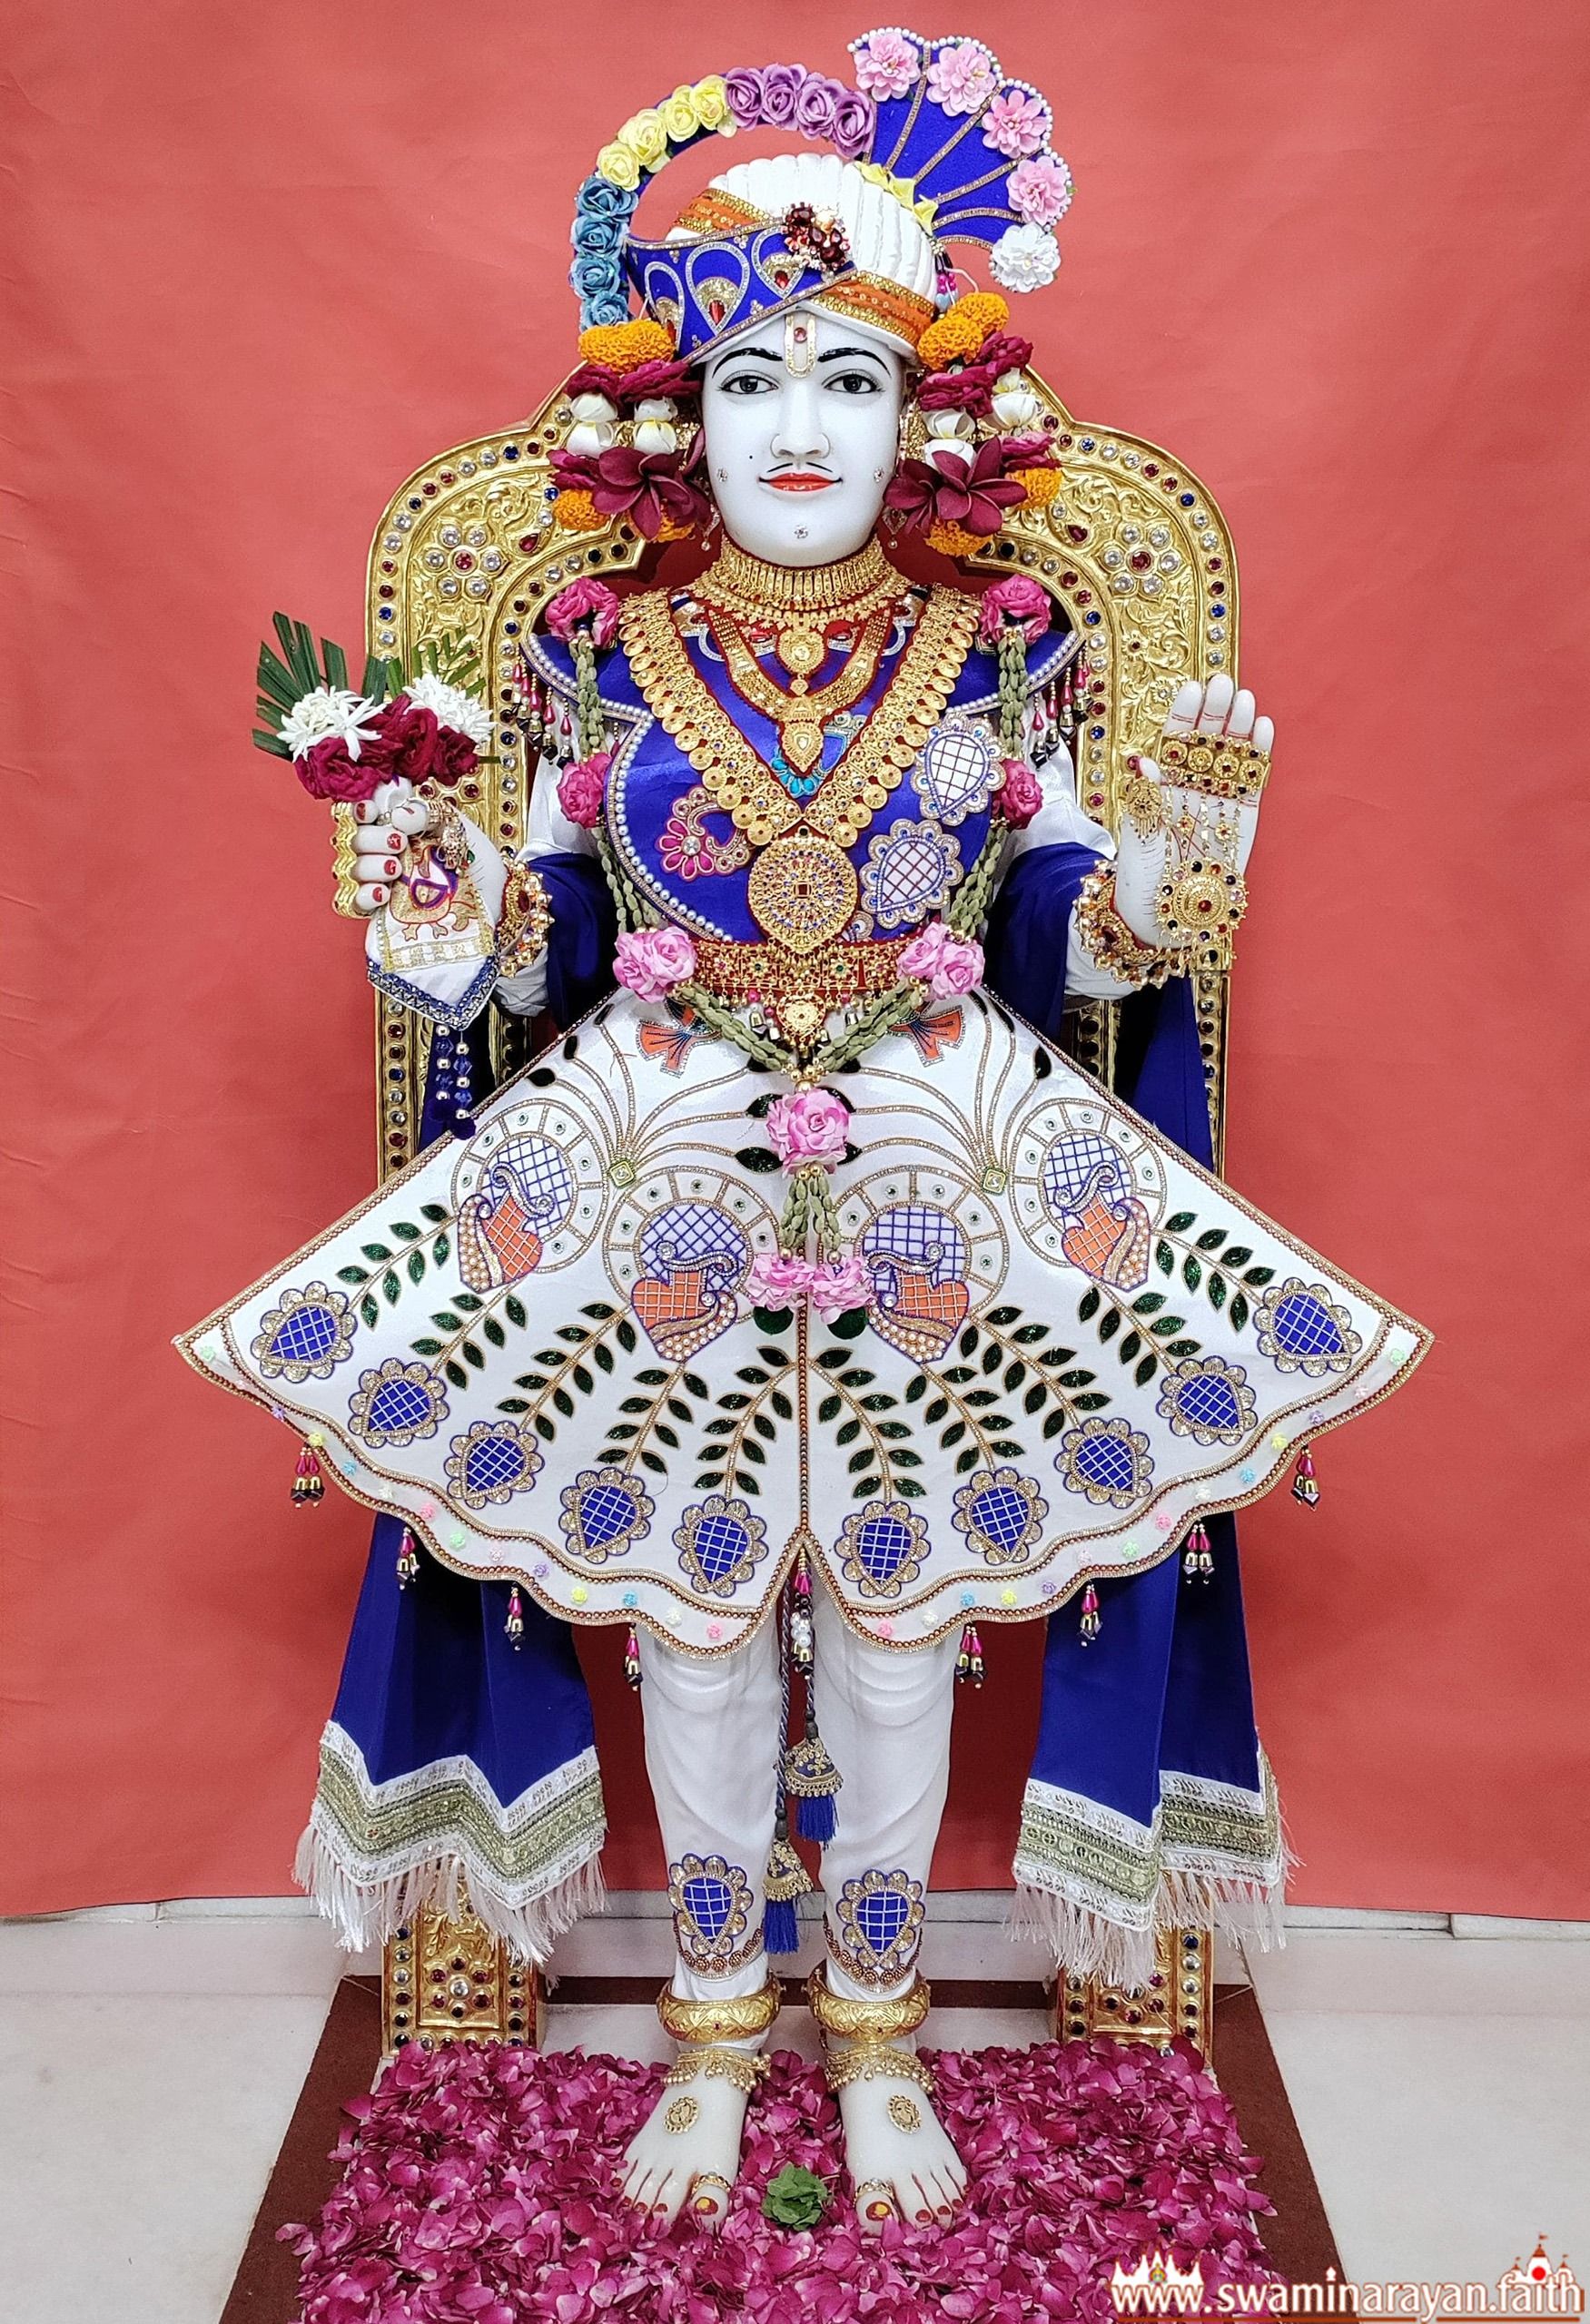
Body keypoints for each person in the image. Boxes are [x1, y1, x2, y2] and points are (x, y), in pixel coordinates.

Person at [182, 30, 1427, 2234]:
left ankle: (875, 2043)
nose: (795, 426)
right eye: (751, 377)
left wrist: (1176, 862)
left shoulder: (992, 650)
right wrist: (435, 889)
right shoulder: (604, 653)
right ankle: (709, 2033)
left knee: (888, 1615)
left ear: (920, 418)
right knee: (693, 1619)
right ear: (680, 419)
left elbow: (1080, 929)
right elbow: (526, 938)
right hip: (658, 1172)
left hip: (942, 1177)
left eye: (848, 380)